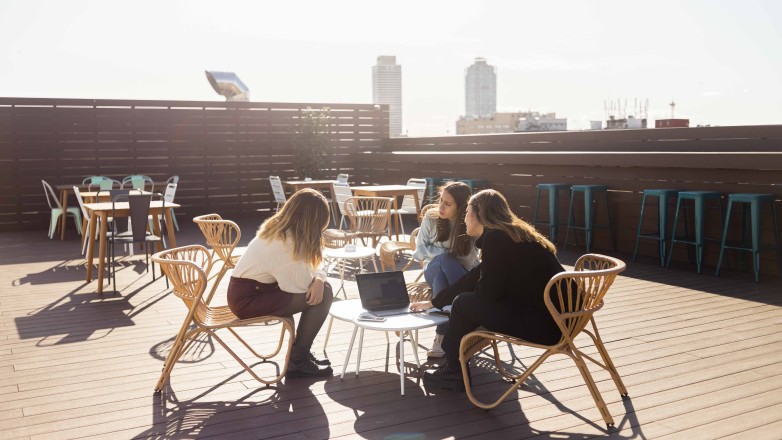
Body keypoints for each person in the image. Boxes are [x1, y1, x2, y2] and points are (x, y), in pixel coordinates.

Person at [410, 189, 567, 391]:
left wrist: (463, 296)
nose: (464, 218)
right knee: (463, 301)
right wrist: (434, 302)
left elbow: (488, 293)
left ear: (478, 215)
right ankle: (455, 362)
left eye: (466, 213)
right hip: (564, 319)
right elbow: (473, 277)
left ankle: (453, 369)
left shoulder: (497, 239)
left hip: (544, 326)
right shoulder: (514, 234)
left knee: (463, 303)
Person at [227, 188, 334, 379]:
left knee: (322, 289)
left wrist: (319, 278)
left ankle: (299, 355)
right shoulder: (285, 242)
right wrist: (318, 280)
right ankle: (298, 359)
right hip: (248, 299)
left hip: (252, 293)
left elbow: (314, 267)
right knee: (323, 295)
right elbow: (300, 286)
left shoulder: (283, 231)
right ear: (311, 221)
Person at [412, 181, 479, 357]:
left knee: (442, 277)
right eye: (441, 200)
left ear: (461, 207)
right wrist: (445, 254)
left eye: (447, 204)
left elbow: (470, 260)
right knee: (445, 260)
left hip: (461, 273)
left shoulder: (468, 222)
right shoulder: (431, 217)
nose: (441, 206)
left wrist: (445, 257)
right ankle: (453, 308)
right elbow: (418, 253)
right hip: (432, 269)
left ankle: (441, 338)